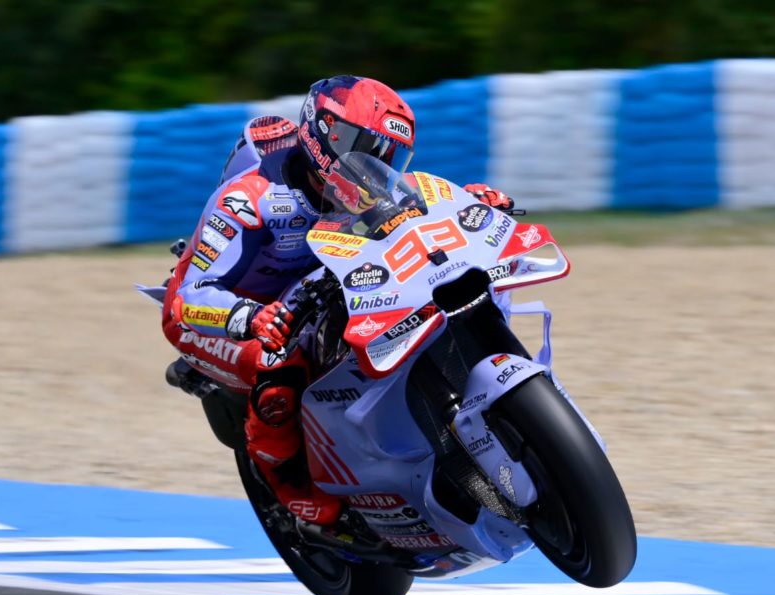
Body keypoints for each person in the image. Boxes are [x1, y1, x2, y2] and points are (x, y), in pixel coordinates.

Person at [161, 75, 513, 526]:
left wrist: (470, 205)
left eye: (386, 154)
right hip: (220, 313)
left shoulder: (362, 190)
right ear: (324, 133)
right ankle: (288, 484)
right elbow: (188, 298)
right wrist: (249, 317)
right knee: (278, 365)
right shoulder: (249, 201)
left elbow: (420, 212)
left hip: (308, 292)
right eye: (362, 148)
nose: (374, 164)